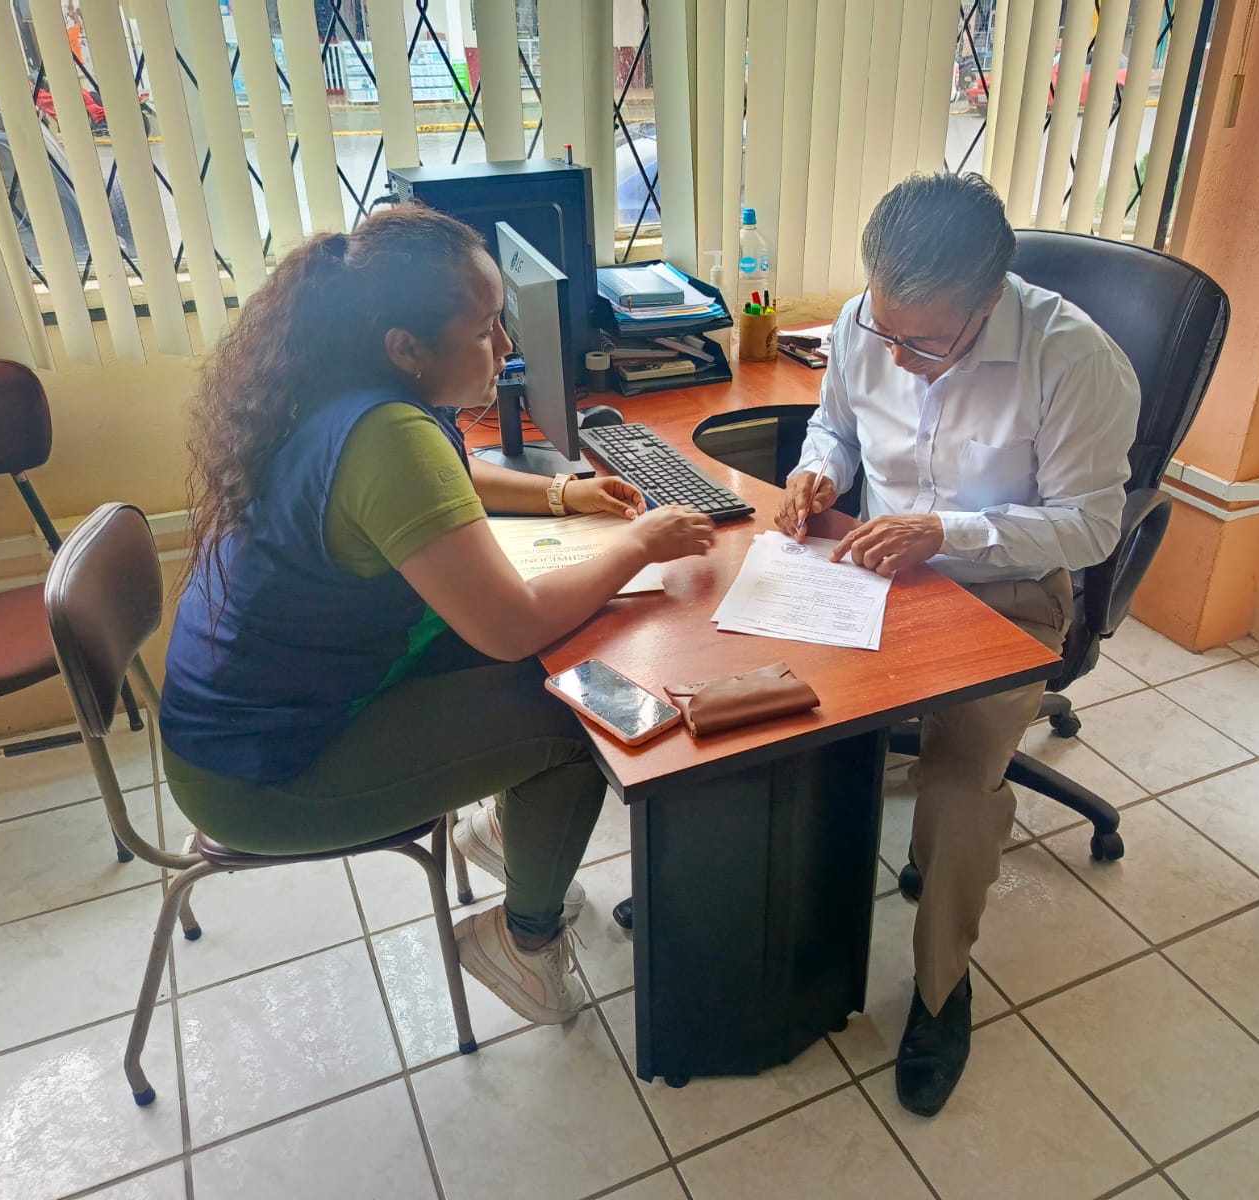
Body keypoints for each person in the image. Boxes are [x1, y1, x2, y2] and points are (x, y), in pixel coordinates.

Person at [161, 206, 715, 1026]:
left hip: (245, 724)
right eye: (486, 330)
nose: (507, 347)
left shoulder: (344, 390)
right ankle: (522, 945)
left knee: (540, 667)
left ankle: (506, 838)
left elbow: (446, 476)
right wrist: (640, 543)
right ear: (406, 348)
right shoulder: (385, 433)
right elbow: (511, 625)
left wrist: (561, 493)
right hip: (263, 777)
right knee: (576, 722)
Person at [775, 172, 1138, 1116]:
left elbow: (1091, 526)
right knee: (769, 701)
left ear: (989, 301)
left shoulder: (1074, 360)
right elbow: (835, 426)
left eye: (926, 343)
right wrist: (819, 472)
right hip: (878, 568)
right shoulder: (868, 322)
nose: (897, 357)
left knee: (957, 784)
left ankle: (942, 991)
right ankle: (735, 882)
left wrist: (947, 531)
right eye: (885, 333)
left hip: (1006, 592)